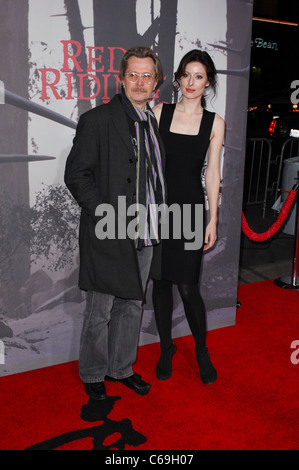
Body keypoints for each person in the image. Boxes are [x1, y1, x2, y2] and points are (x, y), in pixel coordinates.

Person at [64, 47, 166, 400]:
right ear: (121, 79)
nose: (140, 83)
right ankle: (93, 373)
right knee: (100, 308)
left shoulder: (151, 121)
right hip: (109, 229)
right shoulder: (98, 120)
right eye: (133, 75)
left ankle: (121, 368)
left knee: (132, 304)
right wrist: (105, 214)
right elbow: (76, 175)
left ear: (157, 81)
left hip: (147, 229)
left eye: (147, 76)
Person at [151, 49, 225, 385]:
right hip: (158, 209)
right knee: (161, 282)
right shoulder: (159, 112)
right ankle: (166, 348)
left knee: (188, 287)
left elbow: (212, 175)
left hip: (191, 210)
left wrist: (212, 219)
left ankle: (201, 350)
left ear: (208, 81)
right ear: (178, 78)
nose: (191, 82)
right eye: (186, 75)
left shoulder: (214, 123)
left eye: (199, 76)